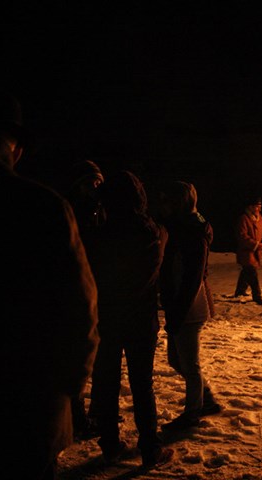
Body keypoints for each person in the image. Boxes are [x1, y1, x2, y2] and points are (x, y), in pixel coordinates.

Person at [0, 87, 99, 478]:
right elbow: (80, 309)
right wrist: (68, 390)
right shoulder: (41, 207)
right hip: (26, 407)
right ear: (16, 149)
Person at [84, 170, 174, 468]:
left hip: (107, 318)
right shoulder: (156, 233)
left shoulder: (98, 236)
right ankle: (150, 449)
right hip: (140, 319)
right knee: (142, 384)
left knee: (106, 382)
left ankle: (110, 445)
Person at [158, 181, 222, 432]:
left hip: (190, 307)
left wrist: (178, 310)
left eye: (167, 200)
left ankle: (194, 412)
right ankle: (205, 399)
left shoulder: (193, 232)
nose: (162, 205)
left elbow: (192, 276)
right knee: (176, 360)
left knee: (189, 363)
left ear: (179, 202)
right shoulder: (180, 227)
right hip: (181, 305)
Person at [61, 159, 106, 439]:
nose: (97, 187)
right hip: (72, 291)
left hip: (92, 286)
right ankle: (75, 418)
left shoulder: (97, 209)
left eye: (99, 182)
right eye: (93, 182)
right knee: (74, 352)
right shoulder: (71, 210)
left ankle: (78, 416)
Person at [233, 195, 262, 305]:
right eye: (257, 206)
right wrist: (256, 245)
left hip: (255, 252)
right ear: (250, 207)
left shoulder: (259, 217)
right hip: (246, 252)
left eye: (260, 206)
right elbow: (242, 236)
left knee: (246, 271)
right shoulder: (243, 219)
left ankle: (240, 291)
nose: (259, 208)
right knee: (252, 272)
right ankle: (257, 296)